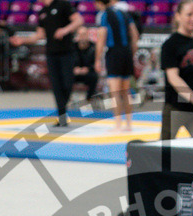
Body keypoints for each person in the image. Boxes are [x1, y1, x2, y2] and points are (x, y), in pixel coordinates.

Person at [9, 0, 83, 127]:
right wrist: (23, 40)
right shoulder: (43, 12)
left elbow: (79, 20)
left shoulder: (63, 4)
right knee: (56, 85)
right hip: (51, 54)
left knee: (67, 82)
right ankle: (62, 115)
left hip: (66, 52)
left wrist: (65, 30)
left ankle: (64, 106)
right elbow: (40, 35)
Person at [160, 0, 193, 140]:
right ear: (178, 16)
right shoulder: (170, 44)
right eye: (189, 14)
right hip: (176, 107)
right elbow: (173, 78)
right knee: (164, 151)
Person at [94, 0, 139, 130]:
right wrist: (132, 53)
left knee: (115, 91)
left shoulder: (105, 15)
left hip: (114, 54)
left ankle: (118, 124)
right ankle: (129, 123)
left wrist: (97, 59)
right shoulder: (124, 13)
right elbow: (135, 35)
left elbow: (101, 38)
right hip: (126, 53)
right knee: (126, 91)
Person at [73, 27, 99, 102]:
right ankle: (65, 99)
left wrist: (88, 69)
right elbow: (69, 61)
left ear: (88, 35)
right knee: (66, 77)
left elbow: (95, 62)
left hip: (88, 72)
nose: (82, 36)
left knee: (94, 77)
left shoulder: (93, 47)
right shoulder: (72, 47)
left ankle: (89, 99)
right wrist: (74, 68)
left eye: (84, 34)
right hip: (75, 73)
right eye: (80, 34)